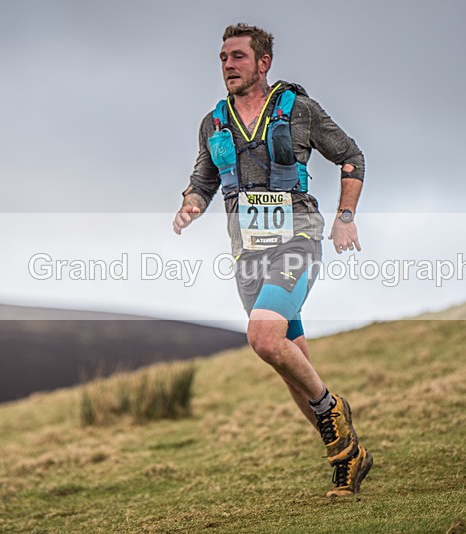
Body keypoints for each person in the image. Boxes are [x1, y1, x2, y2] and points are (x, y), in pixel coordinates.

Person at [173, 22, 372, 497]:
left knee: (264, 337)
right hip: (248, 256)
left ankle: (332, 410)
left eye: (238, 57)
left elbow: (351, 158)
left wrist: (345, 215)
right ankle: (347, 456)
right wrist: (191, 204)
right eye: (223, 58)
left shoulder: (297, 110)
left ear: (264, 63)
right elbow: (203, 179)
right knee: (289, 363)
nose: (228, 66)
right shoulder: (213, 123)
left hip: (297, 242)